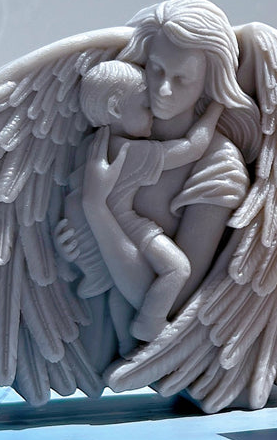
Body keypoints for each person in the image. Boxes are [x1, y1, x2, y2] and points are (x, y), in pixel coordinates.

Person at [76, 59, 224, 341]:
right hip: (128, 225)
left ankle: (127, 344)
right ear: (116, 107)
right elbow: (192, 149)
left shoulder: (90, 148)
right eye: (145, 106)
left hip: (107, 231)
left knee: (120, 295)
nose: (153, 114)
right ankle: (149, 323)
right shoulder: (130, 152)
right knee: (178, 268)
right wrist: (216, 108)